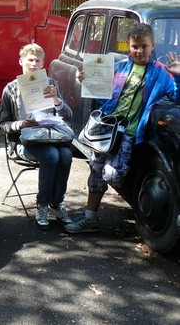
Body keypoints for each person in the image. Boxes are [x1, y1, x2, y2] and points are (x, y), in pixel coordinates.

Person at [65, 23, 180, 234]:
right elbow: (103, 95)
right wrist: (86, 80)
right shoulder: (118, 67)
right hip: (108, 129)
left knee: (113, 175)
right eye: (135, 46)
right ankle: (90, 218)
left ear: (152, 45)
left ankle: (108, 197)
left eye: (144, 46)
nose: (139, 51)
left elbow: (176, 96)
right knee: (95, 171)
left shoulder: (161, 73)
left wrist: (179, 75)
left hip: (128, 134)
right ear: (129, 46)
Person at [0, 43, 73, 229]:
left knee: (65, 154)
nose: (33, 64)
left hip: (51, 137)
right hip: (24, 142)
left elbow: (68, 116)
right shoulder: (11, 88)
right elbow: (2, 125)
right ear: (21, 61)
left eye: (37, 60)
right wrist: (21, 124)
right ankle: (42, 205)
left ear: (42, 64)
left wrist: (56, 100)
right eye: (30, 60)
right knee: (51, 155)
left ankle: (57, 203)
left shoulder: (51, 84)